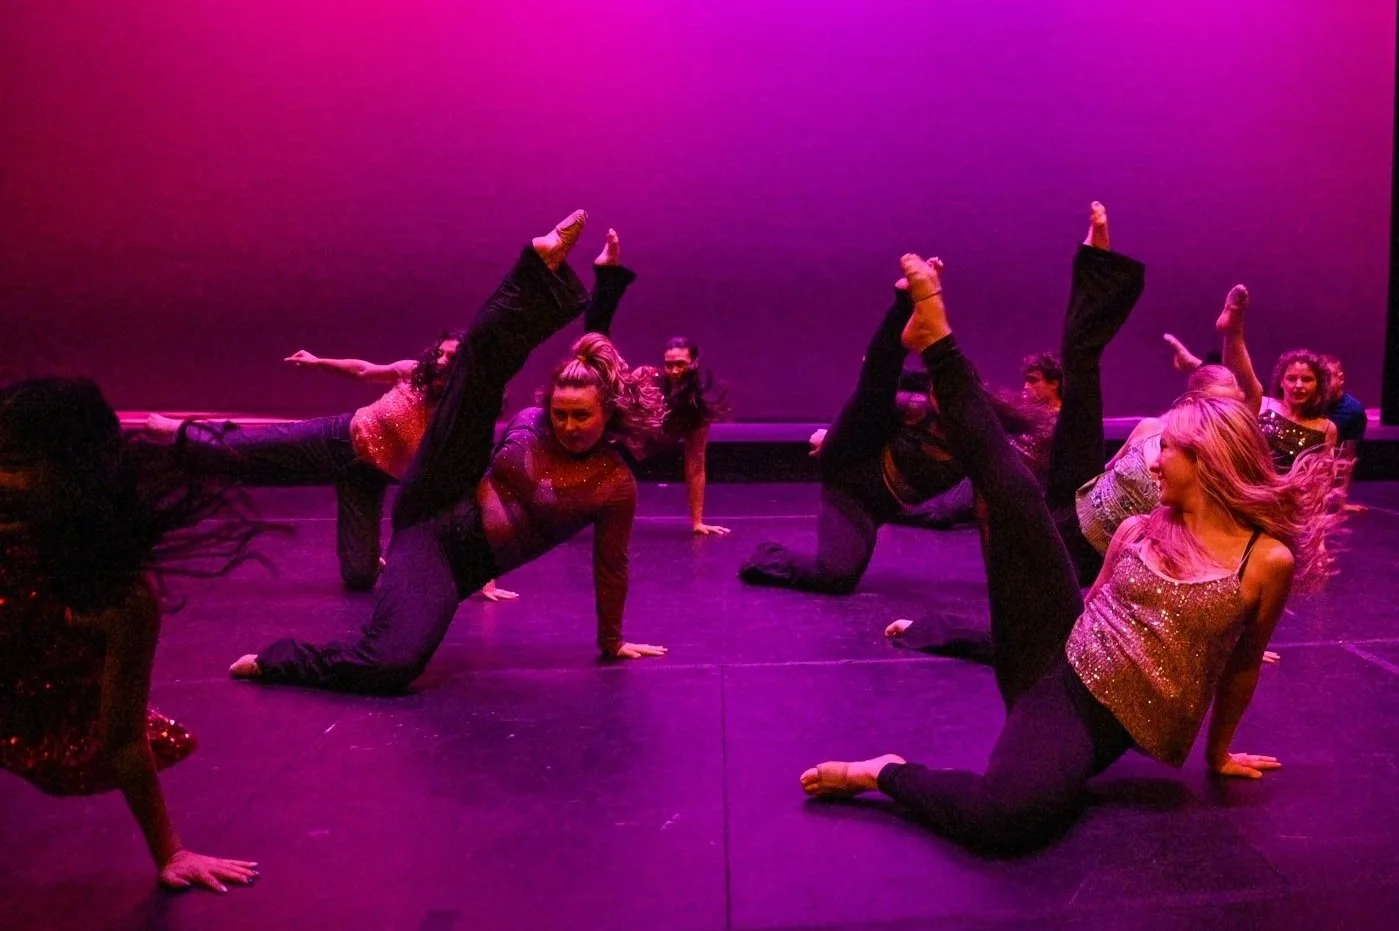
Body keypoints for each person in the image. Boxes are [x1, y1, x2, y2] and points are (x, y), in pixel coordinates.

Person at [800, 236, 1341, 854]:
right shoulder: (1143, 527)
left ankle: (882, 767)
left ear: (1210, 462)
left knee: (1000, 819)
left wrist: (1218, 755)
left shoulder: (1266, 561)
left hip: (1092, 713)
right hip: (1062, 666)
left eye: (1170, 450)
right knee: (1015, 496)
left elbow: (1242, 665)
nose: (1154, 459)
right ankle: (939, 341)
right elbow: (1086, 603)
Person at [229, 211, 670, 693]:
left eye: (581, 416)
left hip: (445, 558)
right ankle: (534, 267)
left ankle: (278, 661)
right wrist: (596, 284)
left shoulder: (613, 486)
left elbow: (611, 566)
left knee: (390, 666)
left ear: (608, 416)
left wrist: (612, 642)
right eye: (560, 413)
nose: (566, 425)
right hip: (441, 490)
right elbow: (593, 352)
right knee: (476, 379)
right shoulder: (535, 422)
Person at [1, 377, 266, 892]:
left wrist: (171, 852)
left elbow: (122, 739)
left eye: (16, 464)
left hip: (44, 720)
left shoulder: (118, 600)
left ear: (70, 473)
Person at [738, 268, 1053, 595]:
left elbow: (994, 499)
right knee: (877, 393)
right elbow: (875, 378)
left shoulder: (978, 435)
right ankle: (904, 302)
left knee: (836, 577)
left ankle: (769, 552)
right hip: (848, 469)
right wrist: (831, 436)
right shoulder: (914, 405)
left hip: (867, 506)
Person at [146, 336, 521, 601]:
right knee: (251, 450)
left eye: (450, 358)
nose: (440, 362)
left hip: (368, 477)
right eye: (439, 354)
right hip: (339, 438)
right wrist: (317, 361)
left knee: (359, 577)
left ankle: (369, 553)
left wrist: (483, 575)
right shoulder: (412, 375)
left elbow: (472, 495)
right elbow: (363, 371)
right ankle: (177, 430)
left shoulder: (460, 422)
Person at [580, 229, 734, 535]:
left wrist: (697, 521)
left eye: (680, 364)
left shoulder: (696, 410)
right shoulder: (649, 380)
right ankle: (606, 271)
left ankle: (607, 272)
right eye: (669, 364)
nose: (673, 370)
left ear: (694, 363)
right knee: (595, 345)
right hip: (612, 432)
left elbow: (695, 463)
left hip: (625, 451)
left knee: (595, 343)